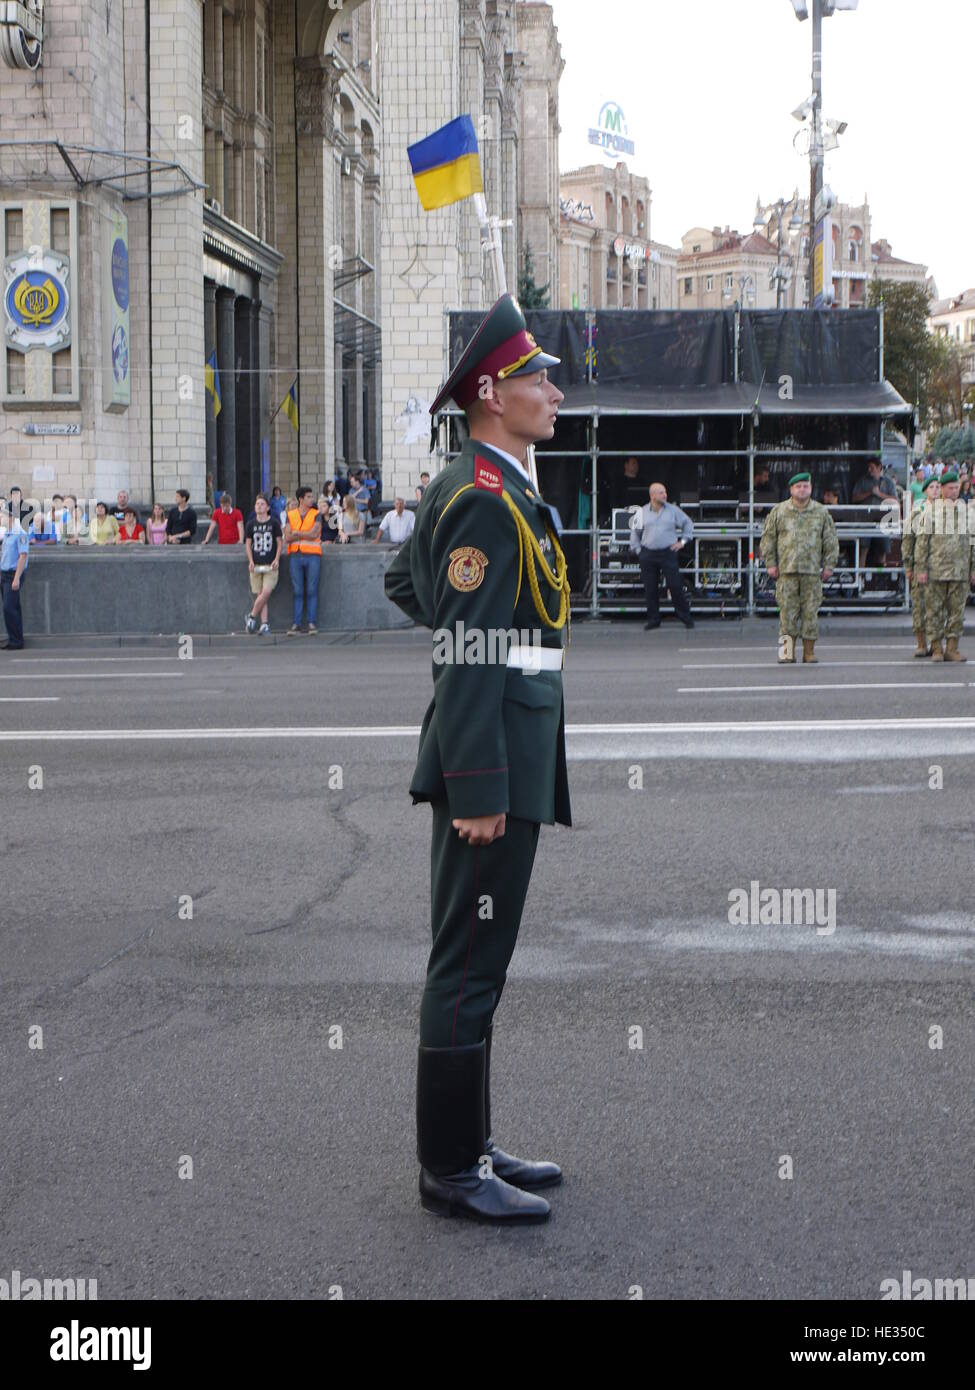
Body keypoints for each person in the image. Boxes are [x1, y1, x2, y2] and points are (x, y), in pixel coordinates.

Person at [384, 291, 570, 1226]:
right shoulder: (483, 499)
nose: (553, 393)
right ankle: (450, 1168)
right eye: (539, 378)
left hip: (509, 743)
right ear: (493, 392)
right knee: (465, 962)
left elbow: (402, 580)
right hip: (489, 761)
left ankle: (473, 1140)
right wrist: (478, 784)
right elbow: (464, 651)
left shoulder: (488, 487)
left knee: (482, 962)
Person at [760, 470, 839, 664]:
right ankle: (787, 652)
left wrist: (829, 565)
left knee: (810, 613)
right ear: (791, 489)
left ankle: (809, 652)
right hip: (786, 571)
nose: (802, 490)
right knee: (787, 613)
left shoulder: (821, 512)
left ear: (811, 489)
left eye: (806, 486)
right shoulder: (779, 511)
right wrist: (770, 564)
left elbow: (830, 540)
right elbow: (768, 539)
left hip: (812, 572)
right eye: (798, 486)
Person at [915, 469, 975, 661]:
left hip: (959, 571)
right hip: (936, 570)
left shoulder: (967, 513)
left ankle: (952, 648)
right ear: (942, 489)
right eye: (950, 488)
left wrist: (973, 569)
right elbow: (922, 543)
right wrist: (921, 569)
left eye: (957, 487)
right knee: (934, 612)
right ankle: (937, 648)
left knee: (956, 612)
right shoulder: (931, 512)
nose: (954, 491)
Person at [629, 482, 695, 630]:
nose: (665, 495)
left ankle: (685, 617)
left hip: (668, 552)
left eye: (665, 492)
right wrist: (640, 551)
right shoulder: (642, 512)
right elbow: (635, 534)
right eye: (661, 493)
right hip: (648, 553)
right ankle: (654, 620)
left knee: (675, 585)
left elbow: (688, 524)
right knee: (650, 588)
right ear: (652, 495)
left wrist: (682, 542)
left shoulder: (673, 510)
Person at [902, 475, 939, 657]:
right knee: (920, 606)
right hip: (920, 566)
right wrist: (908, 566)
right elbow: (908, 540)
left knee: (937, 608)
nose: (935, 490)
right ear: (924, 491)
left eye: (937, 487)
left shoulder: (945, 511)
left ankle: (936, 644)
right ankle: (921, 643)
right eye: (931, 487)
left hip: (939, 567)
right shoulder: (917, 512)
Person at [283, 485, 322, 634]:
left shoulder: (316, 513)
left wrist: (297, 532)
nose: (312, 499)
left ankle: (311, 623)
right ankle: (297, 624)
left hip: (313, 555)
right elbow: (287, 537)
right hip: (295, 556)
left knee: (312, 590)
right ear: (301, 499)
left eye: (311, 496)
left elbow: (314, 534)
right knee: (298, 591)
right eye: (309, 497)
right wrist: (304, 533)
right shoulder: (291, 514)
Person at [244, 492, 283, 634]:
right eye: (257, 504)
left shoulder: (274, 523)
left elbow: (279, 542)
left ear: (267, 508)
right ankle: (264, 624)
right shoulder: (250, 524)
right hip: (256, 564)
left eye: (262, 504)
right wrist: (251, 561)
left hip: (270, 564)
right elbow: (248, 544)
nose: (259, 507)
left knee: (266, 592)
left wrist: (277, 559)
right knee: (260, 594)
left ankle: (252, 616)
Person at [0, 505, 30, 649]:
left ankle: (16, 641)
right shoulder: (7, 533)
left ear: (10, 518)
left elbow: (22, 556)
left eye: (1, 517)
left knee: (9, 608)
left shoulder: (20, 533)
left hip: (13, 574)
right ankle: (15, 639)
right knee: (13, 608)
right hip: (4, 574)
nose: (0, 520)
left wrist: (17, 578)